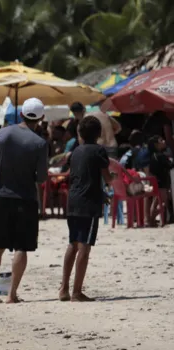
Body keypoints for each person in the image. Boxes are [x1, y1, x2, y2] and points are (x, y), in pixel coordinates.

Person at [0, 98, 49, 304]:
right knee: (21, 247)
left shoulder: (2, 134)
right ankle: (11, 294)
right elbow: (41, 178)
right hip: (26, 198)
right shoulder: (40, 143)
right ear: (41, 118)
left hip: (1, 196)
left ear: (21, 115)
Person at [59, 116, 114, 302]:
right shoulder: (99, 150)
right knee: (85, 248)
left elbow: (82, 177)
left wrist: (100, 192)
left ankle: (64, 289)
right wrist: (113, 179)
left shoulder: (75, 152)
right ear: (99, 134)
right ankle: (76, 292)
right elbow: (107, 178)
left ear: (80, 133)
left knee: (73, 244)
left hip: (73, 201)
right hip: (88, 204)